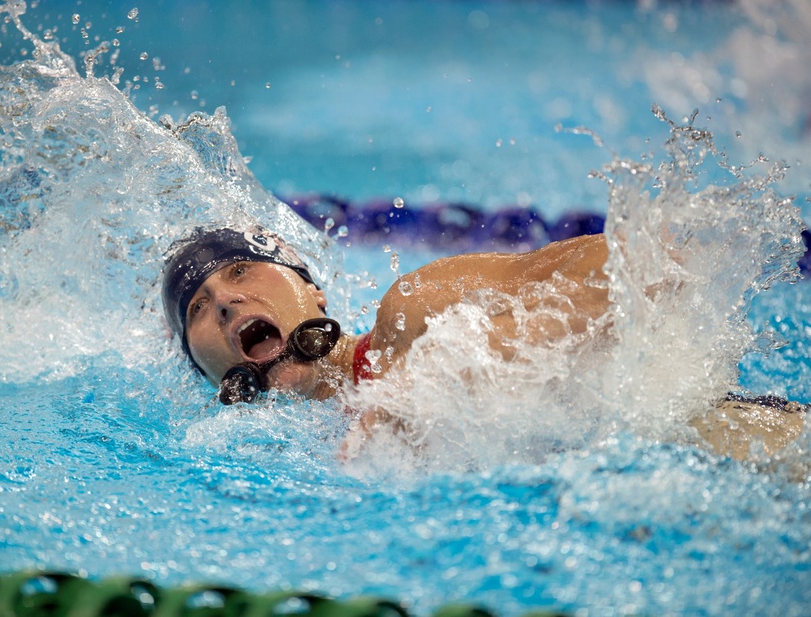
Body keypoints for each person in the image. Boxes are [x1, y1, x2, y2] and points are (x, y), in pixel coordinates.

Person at [161, 226, 807, 461]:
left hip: (751, 445)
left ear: (314, 292)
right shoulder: (279, 464)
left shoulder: (414, 316)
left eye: (241, 272)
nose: (225, 302)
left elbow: (646, 265)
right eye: (198, 307)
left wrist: (457, 367)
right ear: (209, 372)